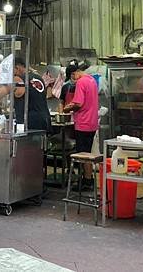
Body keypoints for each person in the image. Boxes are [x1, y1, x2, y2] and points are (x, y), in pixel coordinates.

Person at [63, 61, 99, 190]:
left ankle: (87, 181)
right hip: (92, 122)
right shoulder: (92, 80)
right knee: (87, 152)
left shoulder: (81, 82)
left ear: (74, 73)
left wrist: (67, 109)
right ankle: (87, 178)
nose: (72, 80)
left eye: (72, 77)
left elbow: (78, 103)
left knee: (83, 154)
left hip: (83, 123)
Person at [0, 58, 50, 133]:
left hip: (30, 122)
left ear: (17, 68)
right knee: (41, 143)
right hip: (44, 119)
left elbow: (4, 90)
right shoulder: (38, 77)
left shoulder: (18, 79)